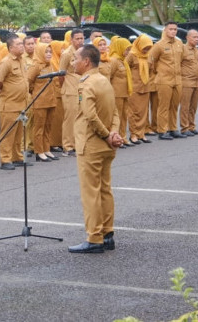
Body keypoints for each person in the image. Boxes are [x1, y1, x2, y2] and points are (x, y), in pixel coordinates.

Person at [69, 45, 122, 253]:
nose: (73, 62)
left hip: (91, 144)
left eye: (75, 59)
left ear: (86, 62)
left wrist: (107, 134)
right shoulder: (104, 80)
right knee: (105, 189)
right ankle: (108, 234)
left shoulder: (86, 84)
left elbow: (90, 116)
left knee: (90, 192)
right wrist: (114, 133)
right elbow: (115, 111)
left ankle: (94, 237)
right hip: (106, 145)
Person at [0, 35, 29, 170]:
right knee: (8, 133)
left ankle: (17, 157)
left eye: (22, 44)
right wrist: (8, 91)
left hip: (22, 104)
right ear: (11, 47)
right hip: (9, 103)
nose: (22, 46)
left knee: (19, 133)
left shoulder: (21, 60)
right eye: (19, 44)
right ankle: (5, 159)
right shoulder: (6, 62)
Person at [149, 22, 185, 140]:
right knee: (163, 106)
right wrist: (159, 72)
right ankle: (162, 130)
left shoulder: (179, 44)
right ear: (165, 30)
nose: (173, 31)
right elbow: (151, 61)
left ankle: (173, 128)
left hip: (177, 79)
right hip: (164, 79)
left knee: (174, 105)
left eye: (175, 29)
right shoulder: (159, 45)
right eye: (171, 29)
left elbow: (182, 60)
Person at [26, 43, 58, 162]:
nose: (49, 54)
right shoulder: (36, 66)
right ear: (40, 52)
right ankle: (39, 151)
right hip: (40, 101)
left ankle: (46, 149)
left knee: (48, 126)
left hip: (51, 100)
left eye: (50, 51)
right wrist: (34, 93)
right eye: (46, 52)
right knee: (39, 127)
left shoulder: (50, 66)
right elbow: (28, 82)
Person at [59, 29, 85, 156]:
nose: (80, 41)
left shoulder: (83, 53)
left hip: (80, 89)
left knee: (80, 117)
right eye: (77, 39)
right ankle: (68, 146)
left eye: (82, 38)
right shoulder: (67, 54)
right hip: (69, 90)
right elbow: (61, 74)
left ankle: (76, 144)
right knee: (70, 119)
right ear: (72, 40)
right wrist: (64, 87)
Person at [126, 35, 154, 145]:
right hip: (134, 87)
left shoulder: (148, 55)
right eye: (145, 47)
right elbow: (126, 69)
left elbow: (151, 69)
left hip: (145, 87)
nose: (146, 50)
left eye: (148, 47)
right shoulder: (132, 55)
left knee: (143, 112)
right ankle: (133, 134)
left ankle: (141, 134)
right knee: (134, 112)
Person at [108, 37, 133, 147]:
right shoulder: (113, 60)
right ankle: (115, 138)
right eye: (126, 50)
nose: (128, 52)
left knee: (124, 116)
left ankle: (123, 137)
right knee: (116, 117)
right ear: (119, 48)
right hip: (116, 94)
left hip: (124, 93)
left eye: (129, 50)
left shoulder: (123, 60)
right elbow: (109, 77)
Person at [180, 30, 198, 136]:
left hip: (196, 82)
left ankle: (191, 126)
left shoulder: (196, 49)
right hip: (186, 81)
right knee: (185, 106)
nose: (197, 39)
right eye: (194, 37)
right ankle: (184, 128)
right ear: (187, 38)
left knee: (193, 106)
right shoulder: (183, 49)